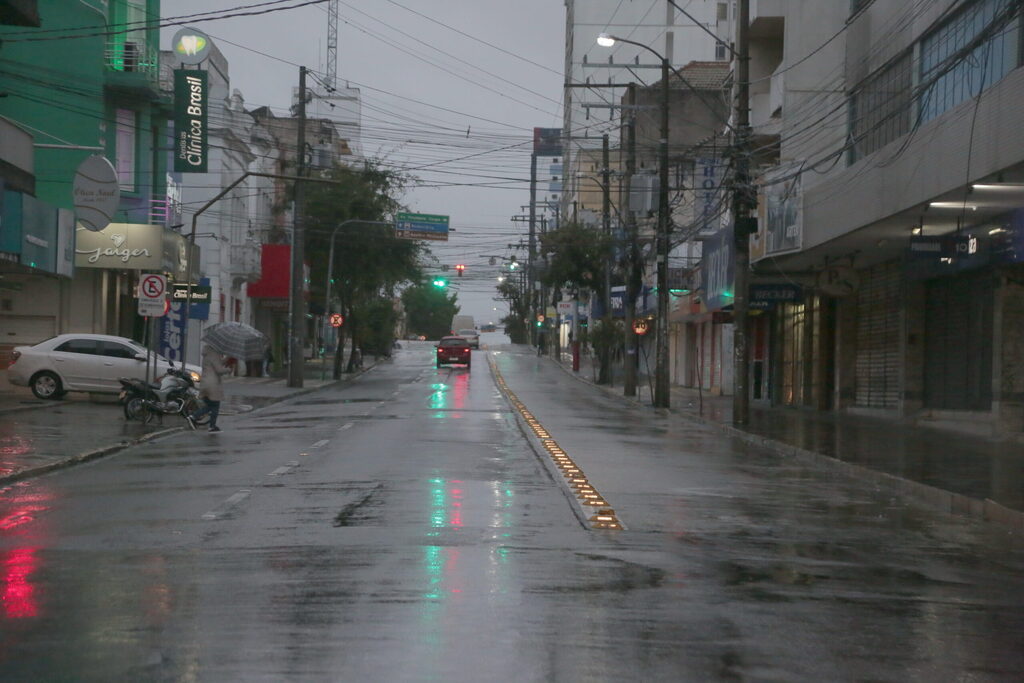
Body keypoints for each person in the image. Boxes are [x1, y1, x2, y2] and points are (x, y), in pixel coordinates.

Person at [187, 345, 232, 433]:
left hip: (205, 383)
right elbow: (219, 370)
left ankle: (194, 417)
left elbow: (216, 364)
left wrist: (227, 359)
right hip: (212, 384)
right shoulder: (214, 354)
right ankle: (211, 425)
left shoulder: (208, 353)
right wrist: (228, 370)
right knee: (215, 405)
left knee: (209, 405)